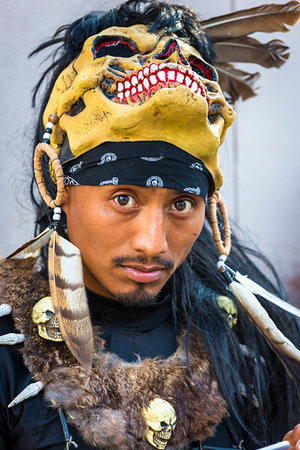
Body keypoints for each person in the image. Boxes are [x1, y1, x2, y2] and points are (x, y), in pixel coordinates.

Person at [0, 1, 299, 449]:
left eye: (181, 204)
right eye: (124, 199)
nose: (152, 243)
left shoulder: (256, 348)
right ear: (54, 183)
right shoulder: (8, 350)